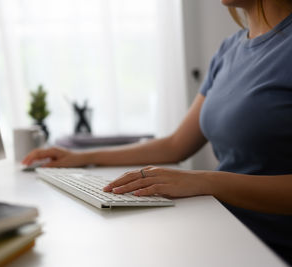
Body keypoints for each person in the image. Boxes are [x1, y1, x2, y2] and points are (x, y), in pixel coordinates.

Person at [23, 0, 292, 264]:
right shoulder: (229, 49)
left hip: (271, 247)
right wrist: (80, 157)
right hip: (224, 228)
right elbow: (175, 145)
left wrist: (205, 181)